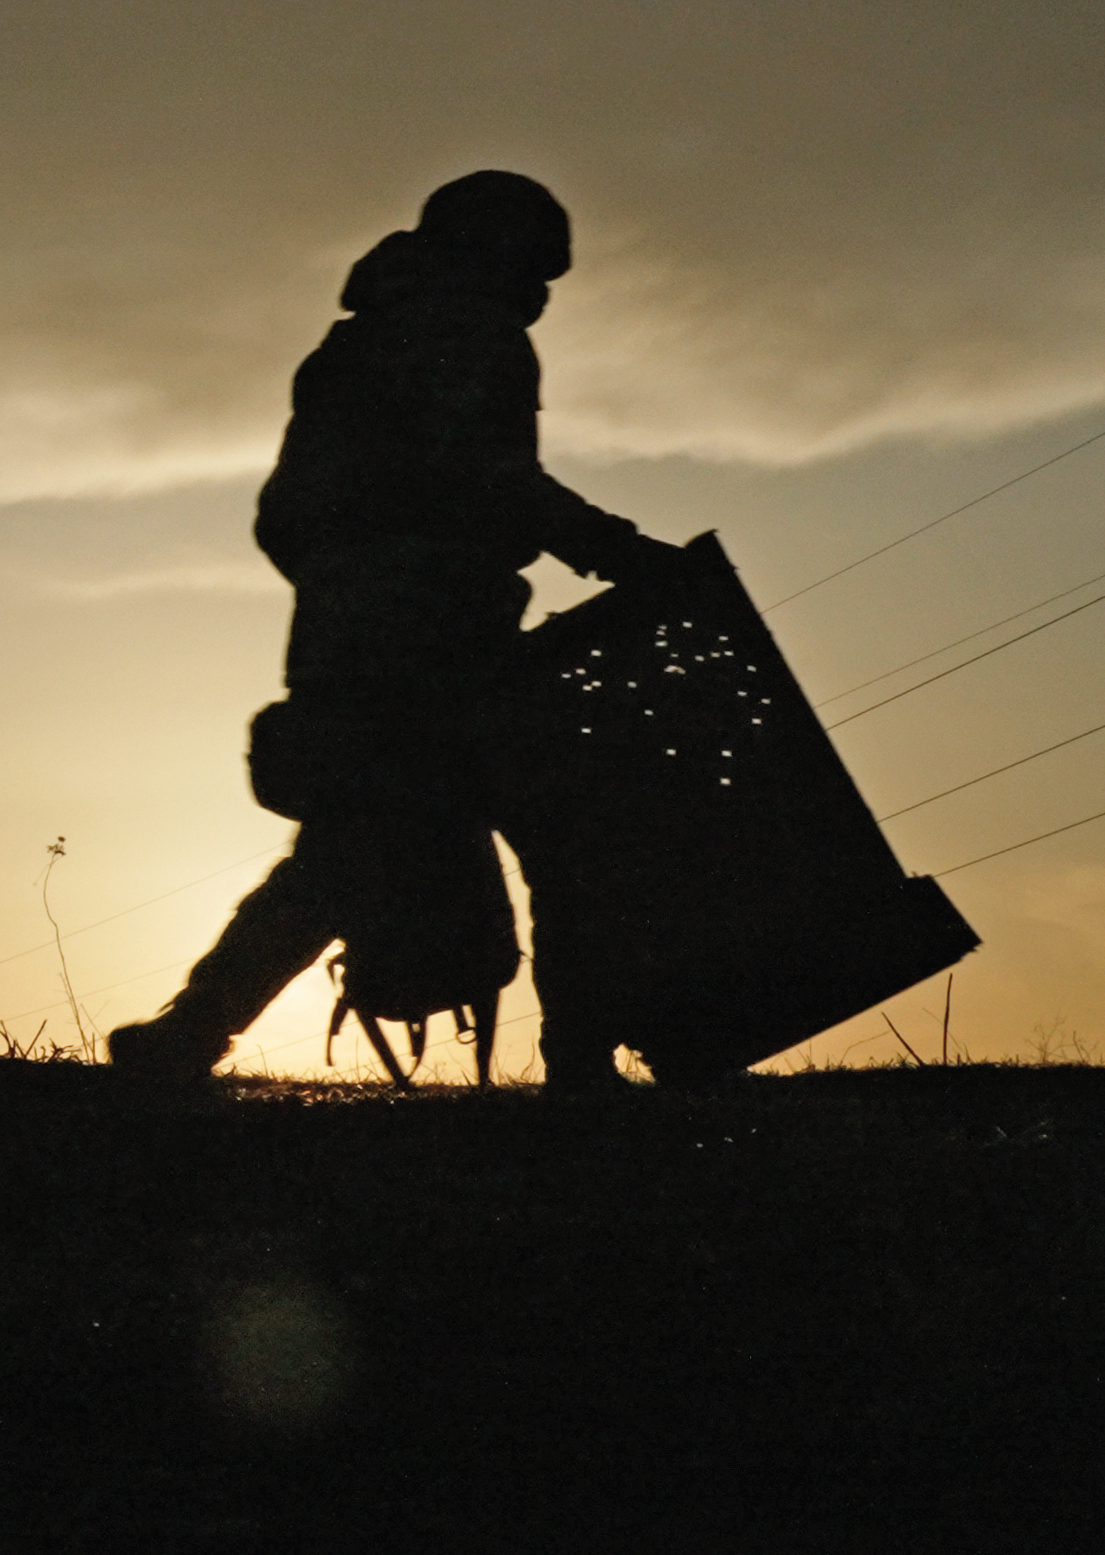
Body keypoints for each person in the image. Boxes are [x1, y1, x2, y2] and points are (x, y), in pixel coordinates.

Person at [105, 171, 687, 1087]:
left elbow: (282, 514)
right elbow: (489, 477)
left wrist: (348, 590)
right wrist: (618, 552)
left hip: (351, 646)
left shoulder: (355, 346)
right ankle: (581, 1059)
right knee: (567, 833)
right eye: (534, 270)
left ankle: (188, 1033)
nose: (539, 294)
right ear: (497, 255)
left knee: (345, 852)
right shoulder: (467, 335)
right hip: (447, 649)